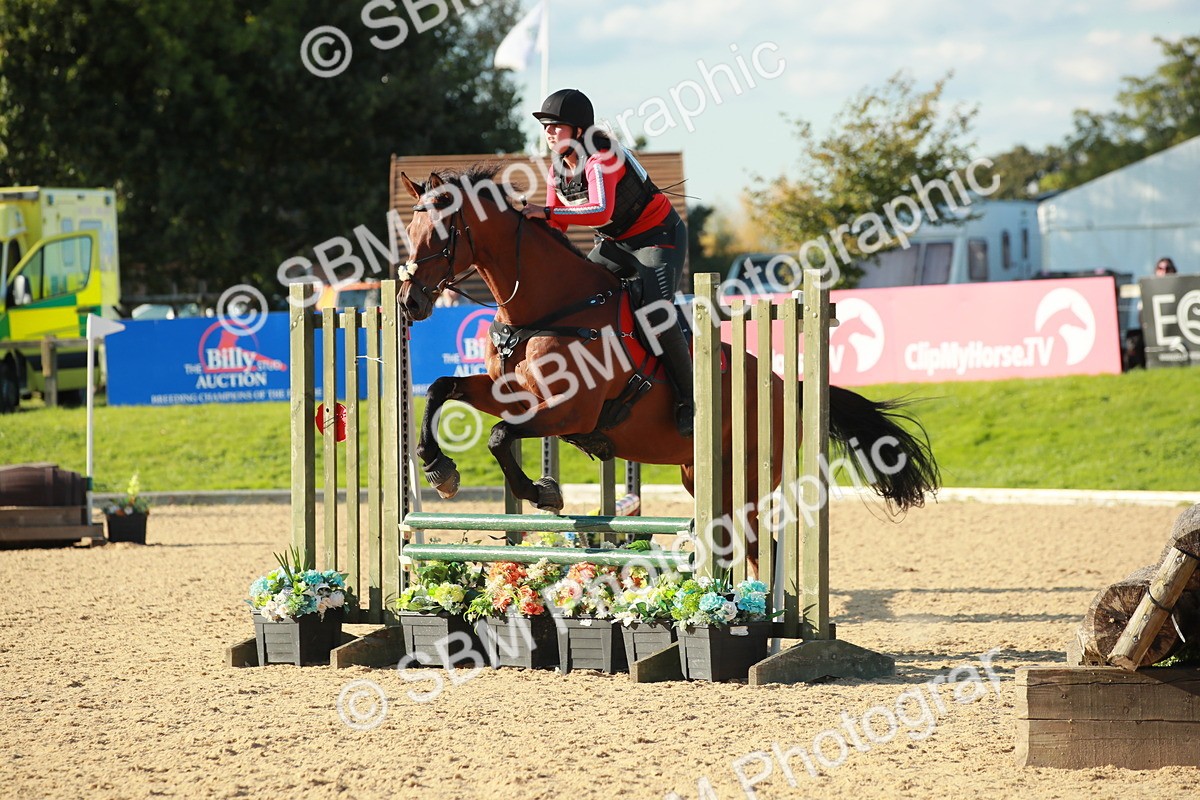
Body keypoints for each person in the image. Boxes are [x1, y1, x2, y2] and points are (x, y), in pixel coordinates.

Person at [521, 88, 694, 437]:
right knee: (576, 294)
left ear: (579, 130)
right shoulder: (557, 170)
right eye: (545, 126)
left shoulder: (602, 159)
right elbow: (557, 227)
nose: (549, 132)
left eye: (556, 126)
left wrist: (547, 212)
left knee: (655, 312)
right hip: (616, 244)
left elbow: (601, 210)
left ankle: (689, 398)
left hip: (658, 238)